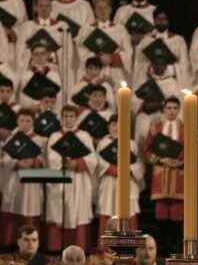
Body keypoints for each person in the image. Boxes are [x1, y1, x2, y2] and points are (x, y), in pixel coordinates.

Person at [45, 104, 97, 253]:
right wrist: (64, 163)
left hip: (79, 179)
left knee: (78, 213)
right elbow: (51, 157)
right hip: (61, 178)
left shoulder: (84, 135)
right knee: (59, 211)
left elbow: (92, 159)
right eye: (65, 116)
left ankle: (79, 248)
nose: (68, 119)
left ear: (76, 118)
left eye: (71, 116)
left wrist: (77, 163)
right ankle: (56, 249)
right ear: (61, 118)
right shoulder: (55, 136)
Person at [0, 109, 47, 248]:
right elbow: (4, 159)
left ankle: (30, 245)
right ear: (17, 122)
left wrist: (33, 162)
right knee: (12, 211)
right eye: (21, 120)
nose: (24, 124)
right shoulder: (11, 139)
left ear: (33, 122)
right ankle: (10, 243)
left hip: (31, 182)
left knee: (29, 211)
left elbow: (44, 159)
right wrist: (16, 163)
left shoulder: (40, 139)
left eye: (28, 121)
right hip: (14, 179)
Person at [143, 97, 184, 255]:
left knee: (176, 214)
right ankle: (161, 248)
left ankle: (175, 247)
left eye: (175, 108)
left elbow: (192, 150)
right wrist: (160, 159)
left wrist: (179, 162)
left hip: (178, 174)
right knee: (160, 214)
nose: (171, 111)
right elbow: (146, 150)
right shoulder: (155, 127)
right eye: (169, 108)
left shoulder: (186, 128)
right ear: (164, 110)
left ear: (179, 110)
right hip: (160, 175)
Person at [96, 115, 143, 237]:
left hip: (127, 182)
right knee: (107, 211)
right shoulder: (102, 143)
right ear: (108, 127)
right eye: (113, 124)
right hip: (109, 182)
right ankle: (106, 248)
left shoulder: (131, 143)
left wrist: (127, 170)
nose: (116, 127)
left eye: (119, 124)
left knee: (129, 212)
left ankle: (129, 246)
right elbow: (97, 162)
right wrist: (112, 169)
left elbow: (138, 163)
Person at [76, 0, 133, 89]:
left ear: (110, 10)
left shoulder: (120, 29)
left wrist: (112, 58)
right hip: (94, 71)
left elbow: (128, 51)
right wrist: (98, 58)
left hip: (114, 71)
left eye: (105, 8)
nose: (103, 11)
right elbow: (81, 50)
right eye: (99, 8)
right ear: (94, 11)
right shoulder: (86, 29)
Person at [133, 8, 191, 89]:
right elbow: (138, 64)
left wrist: (170, 69)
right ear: (154, 20)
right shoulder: (146, 41)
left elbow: (184, 65)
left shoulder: (178, 40)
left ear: (168, 20)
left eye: (164, 19)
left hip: (171, 83)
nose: (161, 21)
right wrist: (150, 68)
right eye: (158, 19)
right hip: (151, 83)